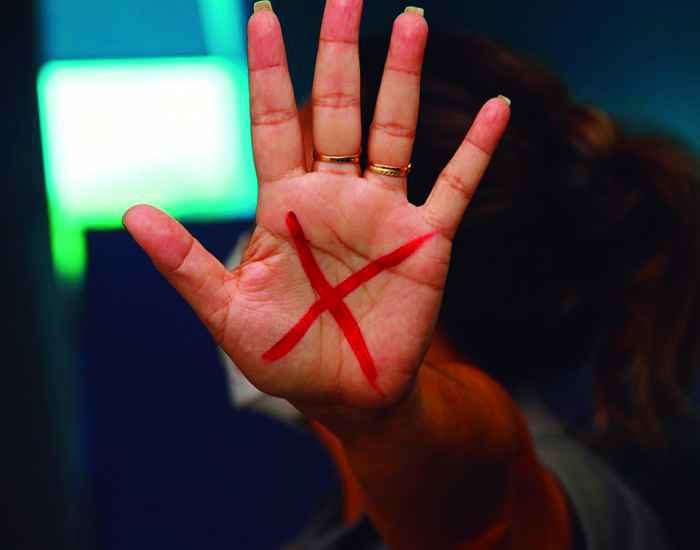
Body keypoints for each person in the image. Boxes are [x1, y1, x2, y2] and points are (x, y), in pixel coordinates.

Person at [123, 1, 700, 548]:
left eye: (293, 223)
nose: (257, 251)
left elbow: (484, 514)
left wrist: (382, 419)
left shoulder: (573, 497)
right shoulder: (330, 524)